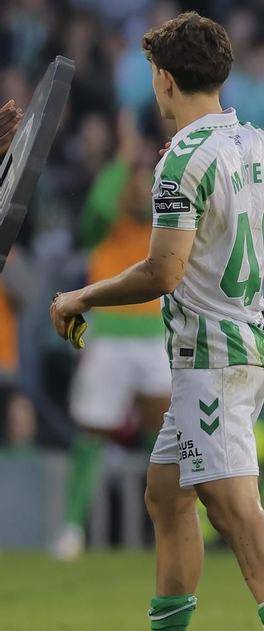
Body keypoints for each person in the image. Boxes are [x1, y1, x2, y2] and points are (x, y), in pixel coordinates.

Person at [50, 11, 264, 631]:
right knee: (166, 494)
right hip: (242, 341)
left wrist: (83, 296)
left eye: (153, 77)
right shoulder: (261, 144)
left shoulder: (180, 158)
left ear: (166, 80)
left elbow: (163, 272)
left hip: (212, 351)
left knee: (232, 506)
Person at [56, 112, 171, 562]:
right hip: (109, 333)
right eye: (132, 178)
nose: (137, 187)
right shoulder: (105, 224)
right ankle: (72, 527)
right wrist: (123, 159)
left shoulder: (163, 224)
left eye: (145, 179)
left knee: (164, 432)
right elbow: (97, 208)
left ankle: (161, 528)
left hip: (154, 333)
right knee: (91, 429)